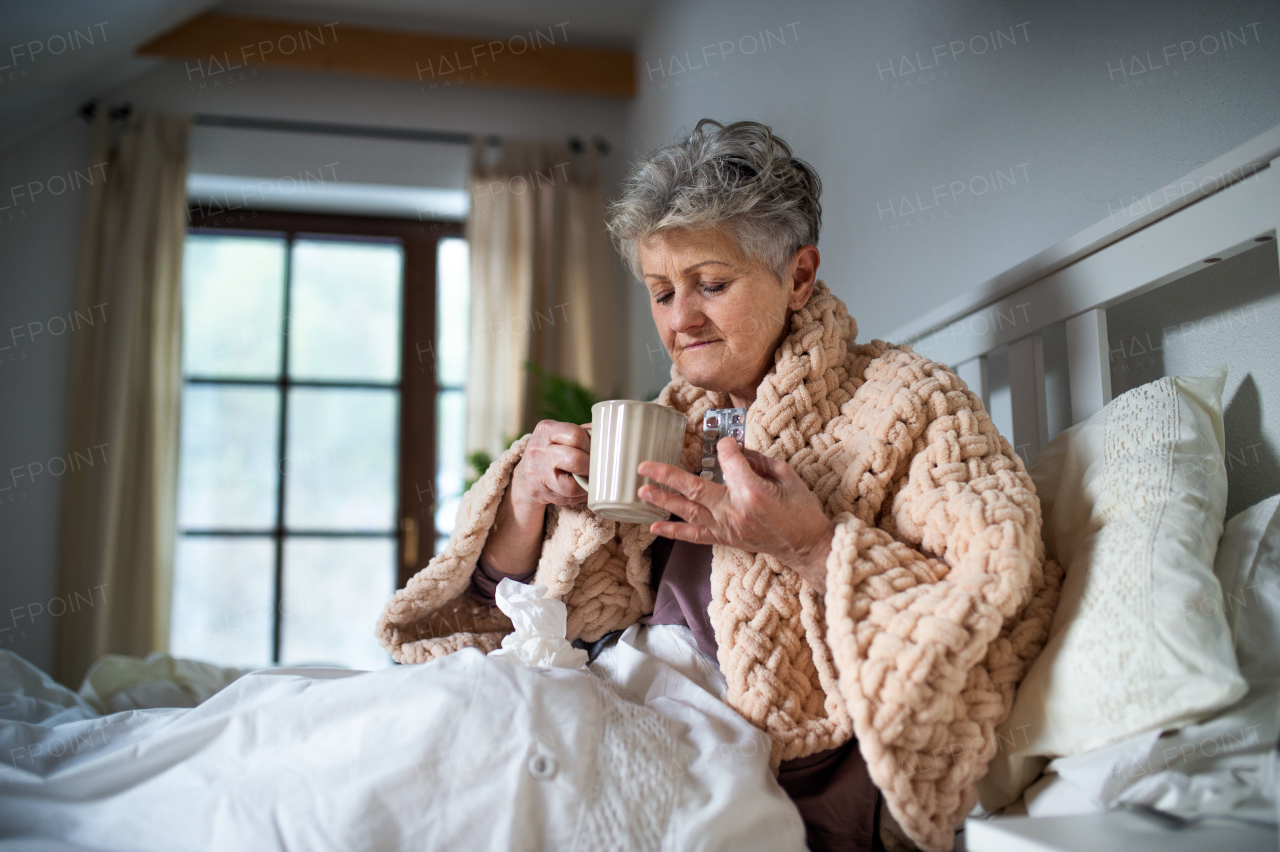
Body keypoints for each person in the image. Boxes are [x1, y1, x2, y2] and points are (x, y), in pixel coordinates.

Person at [377, 119, 1060, 852]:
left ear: (798, 276)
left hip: (754, 754)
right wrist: (525, 502)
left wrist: (811, 547)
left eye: (710, 284)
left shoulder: (910, 403)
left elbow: (996, 590)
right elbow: (504, 617)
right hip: (612, 693)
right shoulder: (672, 420)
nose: (681, 319)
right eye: (662, 291)